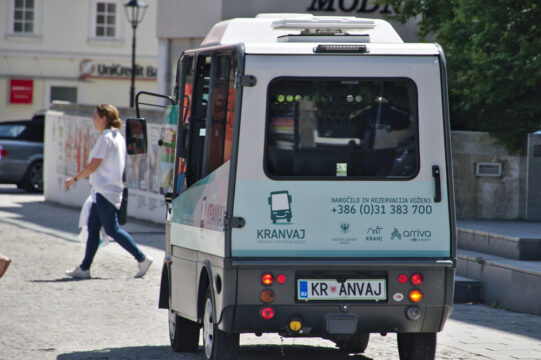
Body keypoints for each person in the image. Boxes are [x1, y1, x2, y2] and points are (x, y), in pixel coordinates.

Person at [64, 104, 152, 279]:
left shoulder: (106, 138)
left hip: (106, 191)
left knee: (112, 229)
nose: (93, 120)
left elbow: (93, 165)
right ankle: (84, 268)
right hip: (103, 190)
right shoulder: (117, 137)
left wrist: (74, 179)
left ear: (104, 119)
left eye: (95, 116)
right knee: (93, 227)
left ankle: (142, 258)